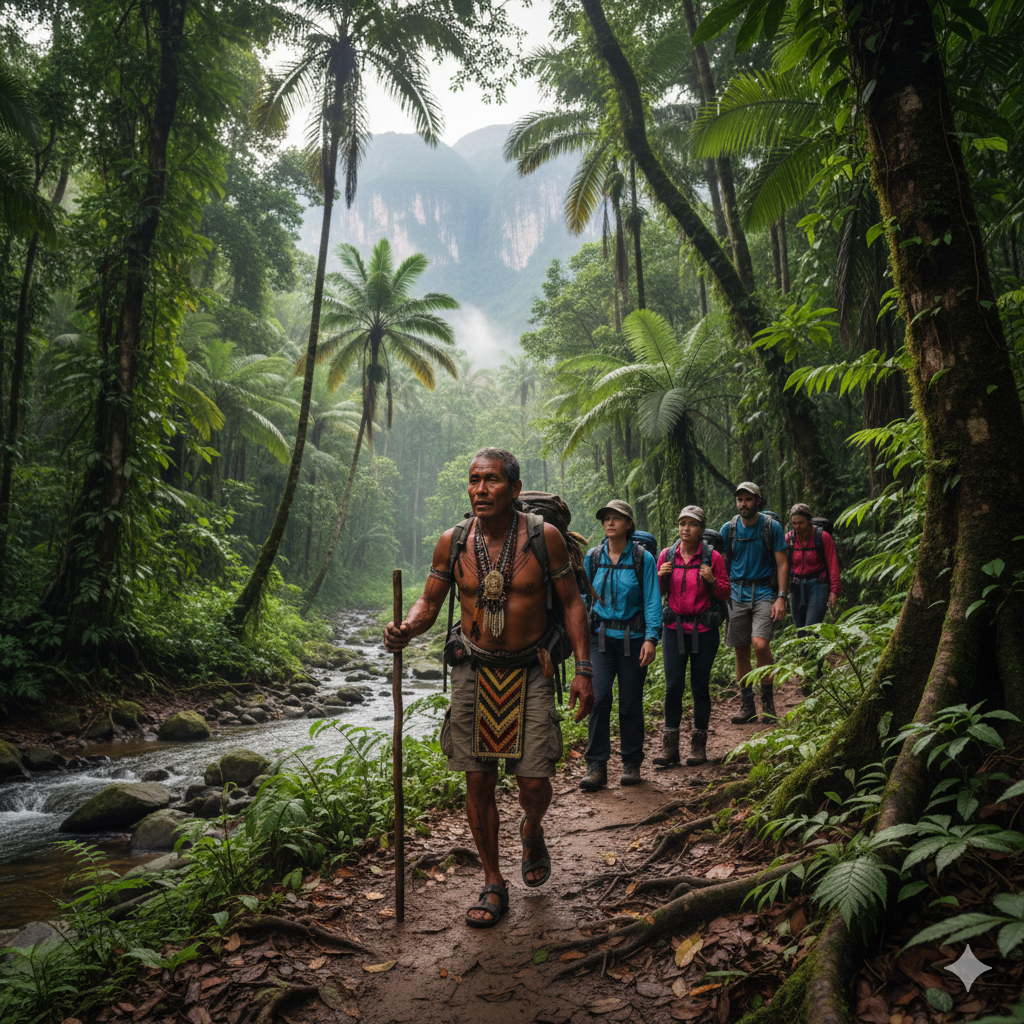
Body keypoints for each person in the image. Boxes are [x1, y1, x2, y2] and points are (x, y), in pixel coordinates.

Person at [384, 448, 593, 929]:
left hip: (532, 668)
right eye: (474, 479)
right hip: (473, 668)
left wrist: (584, 669)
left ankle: (532, 827)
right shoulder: (454, 541)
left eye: (492, 480)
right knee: (477, 780)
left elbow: (572, 603)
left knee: (534, 782)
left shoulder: (544, 538)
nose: (480, 489)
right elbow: (429, 601)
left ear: (514, 489)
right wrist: (407, 628)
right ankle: (493, 880)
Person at [578, 499, 662, 791]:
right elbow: (584, 599)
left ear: (628, 524)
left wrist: (651, 638)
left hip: (633, 639)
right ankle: (596, 766)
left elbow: (652, 600)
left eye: (616, 518)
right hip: (600, 639)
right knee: (599, 699)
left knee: (629, 703)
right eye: (606, 518)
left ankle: (631, 762)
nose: (610, 522)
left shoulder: (643, 559)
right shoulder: (592, 557)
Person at [654, 505, 730, 767]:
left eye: (692, 524)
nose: (686, 528)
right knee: (673, 686)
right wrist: (660, 577)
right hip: (673, 629)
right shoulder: (667, 555)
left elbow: (725, 593)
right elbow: (657, 593)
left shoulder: (712, 557)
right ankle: (670, 748)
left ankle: (698, 746)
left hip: (704, 631)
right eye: (682, 523)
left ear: (701, 528)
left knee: (700, 686)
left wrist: (712, 580)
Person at [719, 482, 789, 724]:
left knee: (760, 645)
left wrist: (781, 596)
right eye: (740, 499)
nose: (743, 504)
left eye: (748, 499)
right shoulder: (728, 529)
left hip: (764, 592)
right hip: (736, 593)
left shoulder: (771, 527)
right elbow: (719, 561)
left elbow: (782, 563)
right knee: (741, 650)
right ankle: (747, 704)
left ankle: (768, 702)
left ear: (758, 501)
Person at [786, 501, 840, 639]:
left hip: (818, 584)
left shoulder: (822, 537)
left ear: (809, 520)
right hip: (796, 587)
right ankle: (807, 653)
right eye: (794, 523)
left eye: (801, 523)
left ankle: (815, 651)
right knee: (800, 630)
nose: (797, 527)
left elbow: (833, 564)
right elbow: (781, 564)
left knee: (811, 626)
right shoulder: (789, 539)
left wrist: (834, 591)